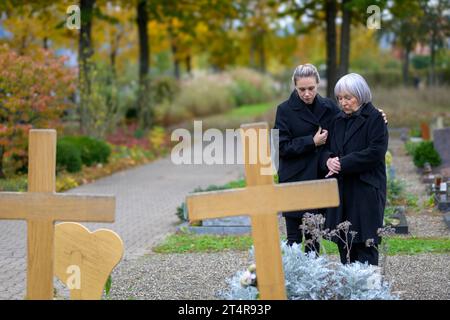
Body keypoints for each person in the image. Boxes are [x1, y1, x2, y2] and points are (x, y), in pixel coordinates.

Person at [321, 73, 388, 266]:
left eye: (348, 97)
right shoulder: (337, 120)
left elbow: (375, 152)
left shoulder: (375, 118)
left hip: (365, 189)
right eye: (340, 98)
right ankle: (351, 290)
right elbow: (327, 148)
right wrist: (328, 160)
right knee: (345, 244)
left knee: (366, 244)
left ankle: (369, 292)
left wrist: (343, 163)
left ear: (360, 94)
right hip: (343, 190)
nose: (343, 103)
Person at [274, 64, 340, 253]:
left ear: (318, 84)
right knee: (294, 238)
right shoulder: (284, 110)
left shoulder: (329, 107)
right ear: (295, 87)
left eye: (311, 88)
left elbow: (347, 126)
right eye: (301, 89)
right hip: (293, 178)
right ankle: (293, 281)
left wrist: (378, 116)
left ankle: (312, 281)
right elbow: (281, 147)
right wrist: (311, 142)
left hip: (317, 177)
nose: (307, 94)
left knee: (313, 237)